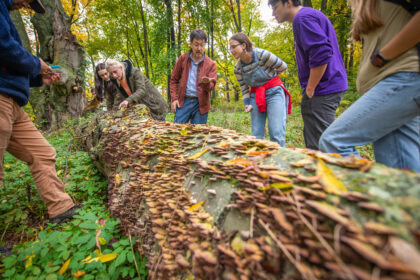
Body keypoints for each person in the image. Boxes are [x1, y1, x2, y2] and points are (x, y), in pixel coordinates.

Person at [0, 0, 81, 225]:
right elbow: (4, 48)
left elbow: (9, 65)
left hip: (13, 103)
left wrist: (38, 77)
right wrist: (37, 63)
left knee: (43, 153)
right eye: (27, 0)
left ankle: (61, 210)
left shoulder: (6, 12)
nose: (26, 5)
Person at [319, 0, 420, 172]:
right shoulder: (365, 7)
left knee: (334, 142)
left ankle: (372, 191)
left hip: (404, 77)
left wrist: (382, 57)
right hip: (391, 83)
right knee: (400, 169)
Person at [269, 0, 348, 150]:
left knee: (319, 145)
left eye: (275, 7)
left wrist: (310, 88)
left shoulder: (302, 18)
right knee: (320, 139)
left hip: (322, 88)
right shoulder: (310, 15)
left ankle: (327, 172)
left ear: (289, 3)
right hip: (330, 84)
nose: (273, 13)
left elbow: (322, 53)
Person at [230, 33, 291, 146]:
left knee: (276, 132)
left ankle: (279, 161)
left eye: (233, 46)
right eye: (230, 48)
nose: (231, 50)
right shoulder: (238, 68)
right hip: (256, 96)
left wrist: (270, 78)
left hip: (274, 93)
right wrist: (247, 103)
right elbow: (244, 88)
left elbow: (283, 66)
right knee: (256, 134)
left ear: (243, 45)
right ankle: (259, 161)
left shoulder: (261, 55)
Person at [170, 29, 217, 124]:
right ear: (191, 44)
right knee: (177, 131)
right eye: (196, 44)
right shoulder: (183, 59)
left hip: (201, 104)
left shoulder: (211, 64)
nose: (199, 48)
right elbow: (174, 80)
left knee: (198, 135)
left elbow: (211, 86)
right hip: (183, 101)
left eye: (202, 45)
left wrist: (206, 83)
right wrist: (174, 99)